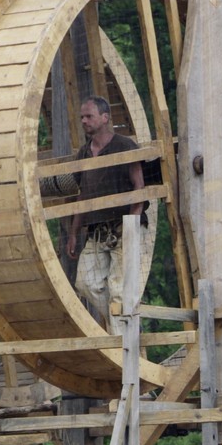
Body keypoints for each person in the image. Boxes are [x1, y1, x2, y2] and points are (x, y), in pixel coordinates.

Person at [65, 97, 146, 324]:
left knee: (119, 288)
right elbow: (82, 194)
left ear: (105, 118)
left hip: (124, 226)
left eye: (89, 116)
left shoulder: (124, 145)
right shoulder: (83, 154)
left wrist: (133, 224)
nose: (84, 121)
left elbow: (140, 186)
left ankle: (122, 348)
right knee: (85, 283)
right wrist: (73, 232)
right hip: (97, 231)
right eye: (82, 117)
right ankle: (120, 325)